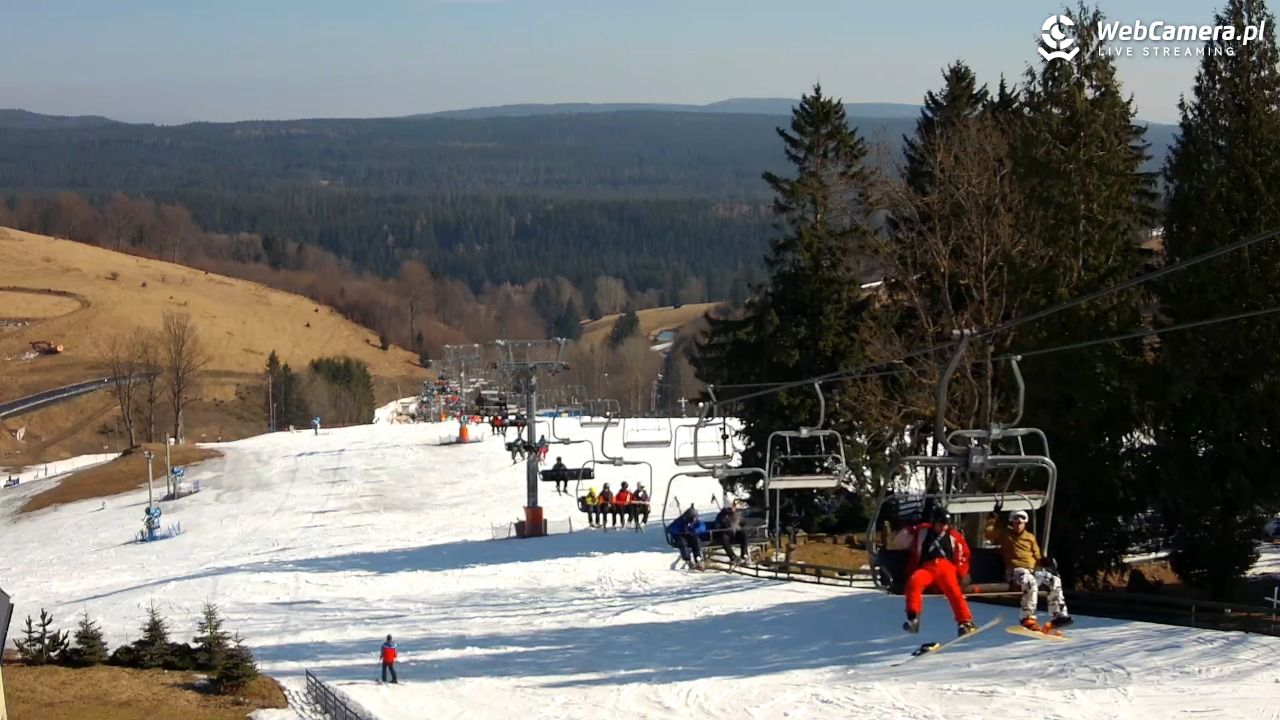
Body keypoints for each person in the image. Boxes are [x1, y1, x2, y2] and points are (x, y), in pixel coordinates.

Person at [985, 508, 1072, 631]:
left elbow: (1037, 555)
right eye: (1016, 522)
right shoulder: (1005, 535)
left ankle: (1059, 614)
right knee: (1030, 581)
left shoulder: (1030, 537)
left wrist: (1043, 561)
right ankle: (1027, 617)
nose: (1018, 525)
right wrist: (993, 518)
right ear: (1012, 523)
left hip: (1031, 570)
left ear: (1025, 523)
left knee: (1053, 580)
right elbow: (989, 534)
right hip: (1015, 571)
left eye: (1021, 522)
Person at [901, 508, 977, 637]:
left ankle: (964, 621)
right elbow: (901, 539)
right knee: (914, 582)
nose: (943, 527)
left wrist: (961, 572)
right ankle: (913, 617)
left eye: (946, 524)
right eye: (941, 524)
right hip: (927, 567)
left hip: (946, 567)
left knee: (953, 590)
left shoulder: (954, 536)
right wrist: (909, 526)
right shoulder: (922, 532)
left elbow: (964, 553)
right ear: (934, 522)